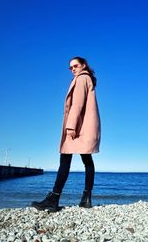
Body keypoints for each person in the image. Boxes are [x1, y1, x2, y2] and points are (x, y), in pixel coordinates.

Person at [31, 56, 101, 212]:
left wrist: (71, 125)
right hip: (85, 127)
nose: (73, 69)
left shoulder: (82, 78)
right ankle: (86, 198)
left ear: (83, 65)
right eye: (70, 68)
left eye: (75, 66)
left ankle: (54, 198)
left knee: (65, 157)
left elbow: (77, 104)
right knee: (86, 159)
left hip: (78, 126)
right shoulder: (87, 79)